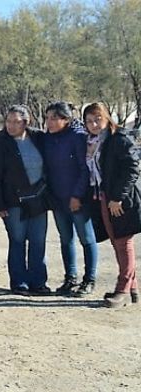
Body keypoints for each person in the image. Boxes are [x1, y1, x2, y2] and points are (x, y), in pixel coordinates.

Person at [80, 102, 141, 307]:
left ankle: (122, 289)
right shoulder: (92, 141)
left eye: (98, 118)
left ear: (107, 117)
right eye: (89, 121)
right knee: (117, 241)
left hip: (120, 199)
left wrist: (118, 197)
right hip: (103, 197)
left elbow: (132, 169)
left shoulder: (119, 138)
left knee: (123, 243)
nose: (94, 124)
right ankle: (132, 287)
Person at [0, 105, 51, 295]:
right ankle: (19, 282)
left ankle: (38, 282)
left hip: (38, 199)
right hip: (13, 201)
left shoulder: (38, 137)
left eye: (16, 122)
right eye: (8, 121)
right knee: (17, 240)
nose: (11, 125)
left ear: (26, 122)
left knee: (38, 241)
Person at [42, 101, 98, 297]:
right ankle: (70, 278)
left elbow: (85, 169)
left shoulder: (78, 137)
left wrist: (77, 195)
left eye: (54, 118)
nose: (49, 122)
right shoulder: (48, 138)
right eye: (47, 118)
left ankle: (89, 279)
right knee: (66, 240)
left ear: (66, 119)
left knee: (86, 239)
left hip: (77, 198)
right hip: (57, 199)